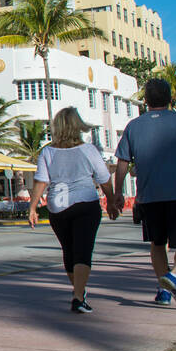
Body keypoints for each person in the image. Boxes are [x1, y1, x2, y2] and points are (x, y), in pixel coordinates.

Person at [111, 78, 176, 308]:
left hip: (149, 196)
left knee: (158, 243)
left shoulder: (134, 126)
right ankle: (175, 276)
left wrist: (118, 192)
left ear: (146, 100)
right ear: (170, 99)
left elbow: (122, 163)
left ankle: (164, 291)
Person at [28, 108, 119, 313]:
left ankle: (79, 292)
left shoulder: (47, 152)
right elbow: (104, 178)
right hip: (85, 203)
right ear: (78, 126)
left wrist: (33, 206)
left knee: (69, 252)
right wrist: (112, 202)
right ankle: (78, 296)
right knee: (83, 251)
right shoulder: (88, 150)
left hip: (58, 208)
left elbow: (41, 180)